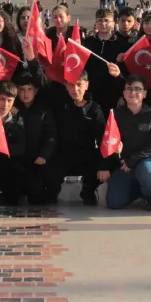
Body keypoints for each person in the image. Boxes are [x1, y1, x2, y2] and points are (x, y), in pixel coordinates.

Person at [100, 76, 151, 210]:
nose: (133, 92)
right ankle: (138, 192)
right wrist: (114, 151)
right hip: (123, 165)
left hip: (145, 162)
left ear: (144, 93)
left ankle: (150, 198)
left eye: (138, 89)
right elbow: (107, 141)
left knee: (147, 171)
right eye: (129, 89)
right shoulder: (115, 114)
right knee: (114, 203)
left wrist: (132, 161)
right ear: (124, 93)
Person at [52, 73, 105, 205]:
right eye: (71, 85)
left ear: (86, 85)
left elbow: (102, 138)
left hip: (86, 156)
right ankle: (53, 189)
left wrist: (104, 166)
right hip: (62, 155)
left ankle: (88, 189)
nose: (75, 89)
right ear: (66, 86)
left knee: (106, 161)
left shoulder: (94, 109)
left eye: (79, 85)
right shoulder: (60, 106)